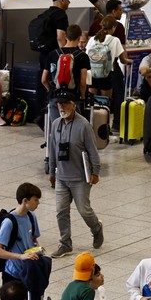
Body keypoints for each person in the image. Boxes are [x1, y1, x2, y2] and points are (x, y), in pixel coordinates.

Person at [46, 90, 103, 256]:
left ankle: (96, 228)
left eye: (65, 103)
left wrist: (96, 172)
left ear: (73, 104)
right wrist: (51, 171)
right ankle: (65, 243)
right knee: (61, 211)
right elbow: (53, 149)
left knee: (84, 210)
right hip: (62, 178)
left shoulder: (83, 125)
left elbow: (93, 150)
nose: (61, 107)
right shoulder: (56, 124)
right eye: (59, 103)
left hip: (80, 178)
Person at [0, 183, 51, 300]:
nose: (38, 203)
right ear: (25, 200)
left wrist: (37, 249)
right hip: (13, 274)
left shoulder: (31, 216)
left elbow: (33, 239)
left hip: (29, 271)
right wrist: (21, 256)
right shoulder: (9, 223)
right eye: (35, 200)